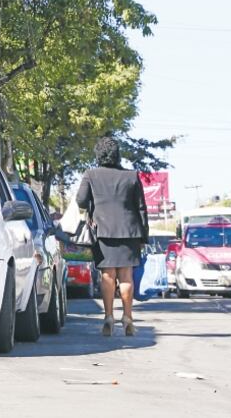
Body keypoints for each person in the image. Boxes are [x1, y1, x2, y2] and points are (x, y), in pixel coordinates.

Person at [76, 136, 148, 336]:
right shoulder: (132, 176)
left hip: (103, 231)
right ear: (117, 155)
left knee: (107, 275)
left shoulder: (91, 174)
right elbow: (141, 208)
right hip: (129, 231)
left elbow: (81, 200)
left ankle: (108, 316)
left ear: (98, 154)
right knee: (126, 276)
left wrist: (93, 204)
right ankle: (127, 317)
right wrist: (144, 236)